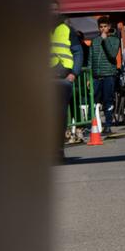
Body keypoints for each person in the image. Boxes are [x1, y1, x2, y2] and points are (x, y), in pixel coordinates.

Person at [51, 15, 77, 153]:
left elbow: (77, 51)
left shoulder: (67, 30)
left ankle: (58, 147)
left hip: (63, 77)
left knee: (60, 114)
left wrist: (74, 73)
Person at [88, 16, 122, 123]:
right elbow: (90, 59)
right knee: (92, 101)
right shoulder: (94, 41)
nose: (103, 29)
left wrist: (105, 39)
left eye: (105, 26)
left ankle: (108, 124)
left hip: (109, 75)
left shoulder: (115, 39)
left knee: (108, 101)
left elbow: (112, 54)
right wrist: (89, 77)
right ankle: (90, 126)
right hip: (95, 76)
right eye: (101, 27)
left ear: (109, 27)